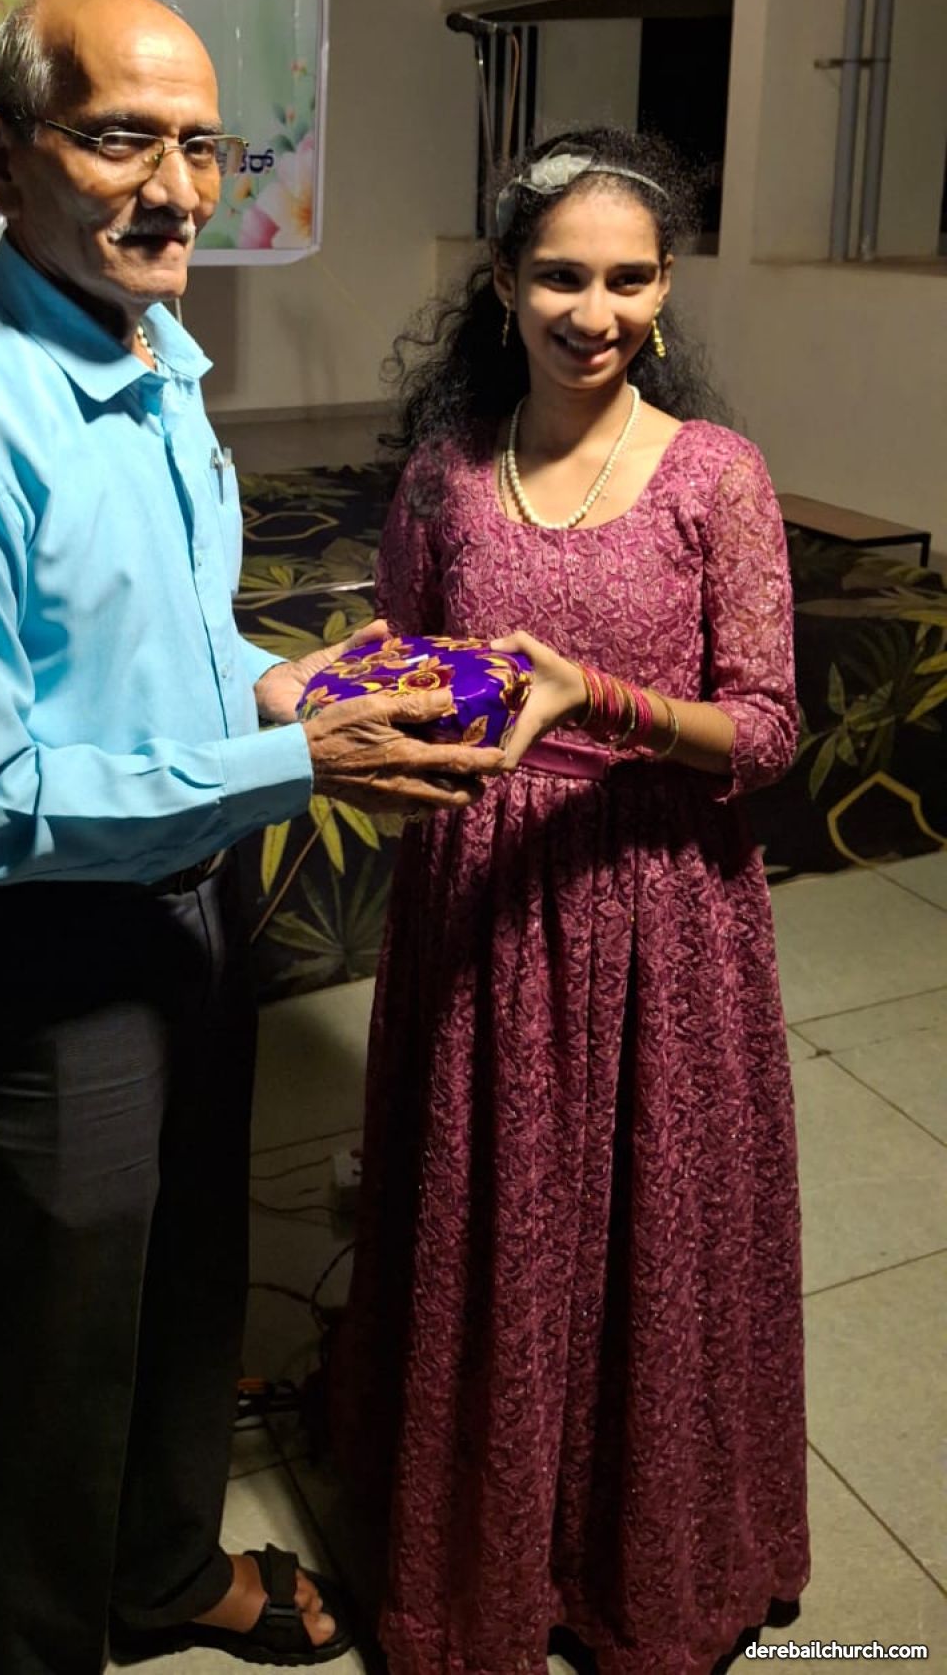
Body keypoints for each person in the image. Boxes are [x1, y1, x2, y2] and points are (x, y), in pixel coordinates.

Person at [0, 0, 503, 1675]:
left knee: (191, 1274)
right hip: (49, 954)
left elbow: (156, 651)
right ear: (3, 159)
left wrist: (283, 686)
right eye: (124, 138)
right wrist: (297, 765)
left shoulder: (154, 353)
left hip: (192, 909)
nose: (181, 188)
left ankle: (163, 1569)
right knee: (58, 1350)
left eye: (205, 145)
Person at [330, 129, 809, 1675]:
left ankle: (639, 1568)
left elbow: (768, 730)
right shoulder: (444, 478)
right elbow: (408, 667)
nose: (592, 311)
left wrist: (598, 698)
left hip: (659, 905)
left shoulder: (717, 478)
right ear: (501, 282)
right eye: (559, 276)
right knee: (491, 1231)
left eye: (627, 278)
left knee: (650, 1241)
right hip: (481, 898)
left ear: (664, 291)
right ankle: (477, 1568)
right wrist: (361, 723)